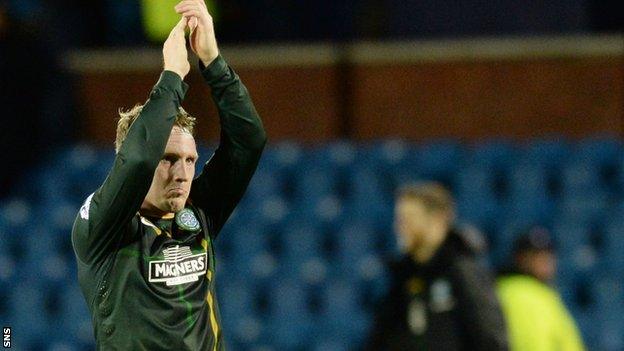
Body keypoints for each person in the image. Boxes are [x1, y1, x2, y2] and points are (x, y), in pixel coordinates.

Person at [71, 1, 266, 349]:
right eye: (169, 159)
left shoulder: (198, 211)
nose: (182, 173)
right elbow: (138, 163)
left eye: (190, 160)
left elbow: (249, 142)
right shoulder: (103, 227)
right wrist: (173, 76)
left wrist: (213, 61)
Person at [367, 182, 508, 350]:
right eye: (399, 219)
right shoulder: (403, 277)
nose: (400, 227)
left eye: (409, 219)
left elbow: (490, 340)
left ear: (438, 219)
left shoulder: (463, 272)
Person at [496, 227, 586, 351]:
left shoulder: (545, 294)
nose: (544, 260)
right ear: (520, 258)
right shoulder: (514, 291)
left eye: (548, 254)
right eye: (535, 255)